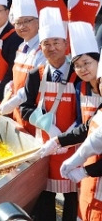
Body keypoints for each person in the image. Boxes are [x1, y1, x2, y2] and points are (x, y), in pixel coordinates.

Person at [36, 21, 101, 221]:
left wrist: (85, 169)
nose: (82, 69)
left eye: (87, 63)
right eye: (78, 65)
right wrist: (57, 141)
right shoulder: (85, 91)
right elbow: (87, 128)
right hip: (91, 170)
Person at [19, 7, 78, 221]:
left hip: (75, 148)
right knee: (44, 196)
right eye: (46, 43)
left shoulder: (78, 73)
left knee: (73, 197)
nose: (52, 48)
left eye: (56, 42)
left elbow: (87, 114)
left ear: (65, 44)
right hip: (44, 146)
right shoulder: (36, 74)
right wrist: (47, 126)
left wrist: (67, 137)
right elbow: (25, 108)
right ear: (41, 46)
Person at [0, 0, 45, 136]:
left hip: (34, 113)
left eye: (27, 21)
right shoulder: (20, 47)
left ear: (37, 22)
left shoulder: (43, 50)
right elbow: (18, 77)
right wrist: (11, 85)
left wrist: (15, 100)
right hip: (17, 113)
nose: (23, 26)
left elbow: (37, 84)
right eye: (18, 23)